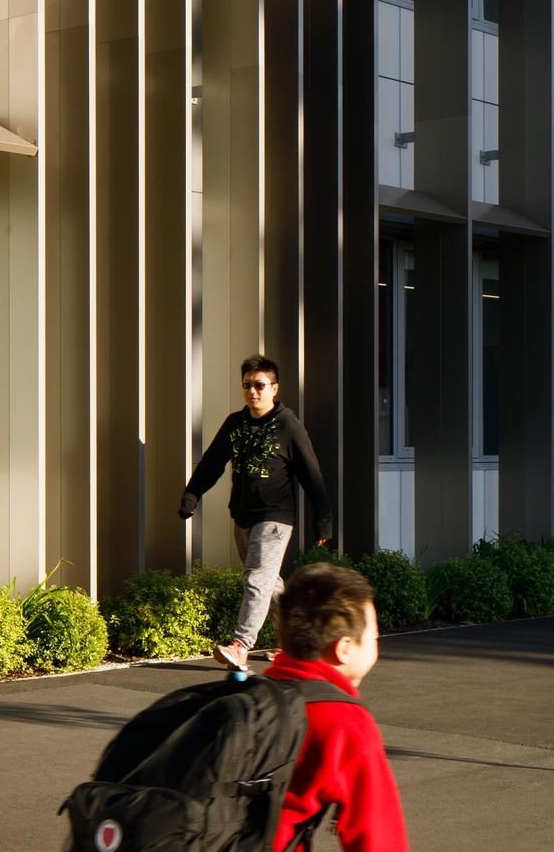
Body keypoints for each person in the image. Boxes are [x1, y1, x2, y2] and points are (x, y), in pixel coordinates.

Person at [178, 354, 333, 669]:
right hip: (243, 517)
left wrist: (323, 521)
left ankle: (241, 645)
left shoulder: (288, 426)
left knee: (256, 580)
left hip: (275, 518)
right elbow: (212, 462)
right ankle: (301, 642)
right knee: (271, 586)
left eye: (260, 385)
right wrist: (192, 495)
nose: (253, 391)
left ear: (274, 388)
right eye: (247, 385)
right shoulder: (235, 424)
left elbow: (312, 475)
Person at [267, 561, 407, 852]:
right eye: (374, 637)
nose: (377, 644)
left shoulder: (246, 695)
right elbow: (378, 840)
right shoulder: (344, 722)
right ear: (344, 648)